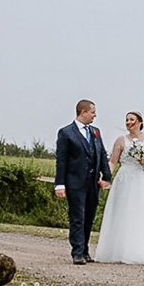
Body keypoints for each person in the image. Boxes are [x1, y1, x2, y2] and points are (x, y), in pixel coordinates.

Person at [94, 111, 144, 265]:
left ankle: (143, 250)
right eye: (127, 120)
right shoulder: (121, 140)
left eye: (132, 120)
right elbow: (113, 162)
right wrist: (106, 177)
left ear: (140, 122)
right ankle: (120, 249)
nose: (128, 123)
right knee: (125, 211)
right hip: (126, 179)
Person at [54, 99, 112, 265]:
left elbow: (102, 154)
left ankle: (85, 250)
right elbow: (62, 160)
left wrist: (106, 177)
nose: (95, 115)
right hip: (75, 183)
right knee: (77, 217)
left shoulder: (95, 132)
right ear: (83, 112)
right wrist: (60, 184)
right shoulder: (66, 133)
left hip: (93, 183)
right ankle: (77, 252)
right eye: (93, 112)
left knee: (89, 217)